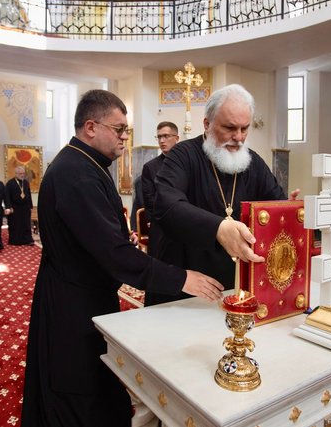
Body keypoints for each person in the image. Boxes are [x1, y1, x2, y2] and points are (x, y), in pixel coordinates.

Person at [20, 89, 223, 427]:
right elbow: (113, 255)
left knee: (97, 384)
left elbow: (98, 236)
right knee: (79, 390)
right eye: (119, 129)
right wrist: (181, 278)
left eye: (126, 130)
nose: (125, 138)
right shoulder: (77, 172)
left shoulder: (85, 164)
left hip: (85, 290)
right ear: (90, 127)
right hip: (73, 302)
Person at [149, 84, 298, 306]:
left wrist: (286, 211)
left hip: (237, 283)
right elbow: (166, 205)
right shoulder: (183, 155)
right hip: (187, 285)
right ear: (207, 124)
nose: (238, 137)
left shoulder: (253, 162)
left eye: (244, 128)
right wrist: (218, 228)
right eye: (230, 128)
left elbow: (274, 201)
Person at [140, 121, 180, 257]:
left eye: (166, 136)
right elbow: (149, 197)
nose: (162, 141)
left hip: (184, 223)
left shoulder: (186, 163)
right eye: (159, 137)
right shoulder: (150, 167)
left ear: (177, 138)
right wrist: (152, 221)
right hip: (160, 225)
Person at [5, 166, 35, 245]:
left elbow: (28, 194)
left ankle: (28, 240)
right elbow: (7, 196)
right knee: (15, 224)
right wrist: (9, 207)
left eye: (23, 173)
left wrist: (31, 206)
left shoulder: (25, 182)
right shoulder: (10, 183)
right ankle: (16, 240)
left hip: (25, 207)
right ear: (16, 174)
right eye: (20, 173)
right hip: (14, 207)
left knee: (26, 224)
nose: (22, 175)